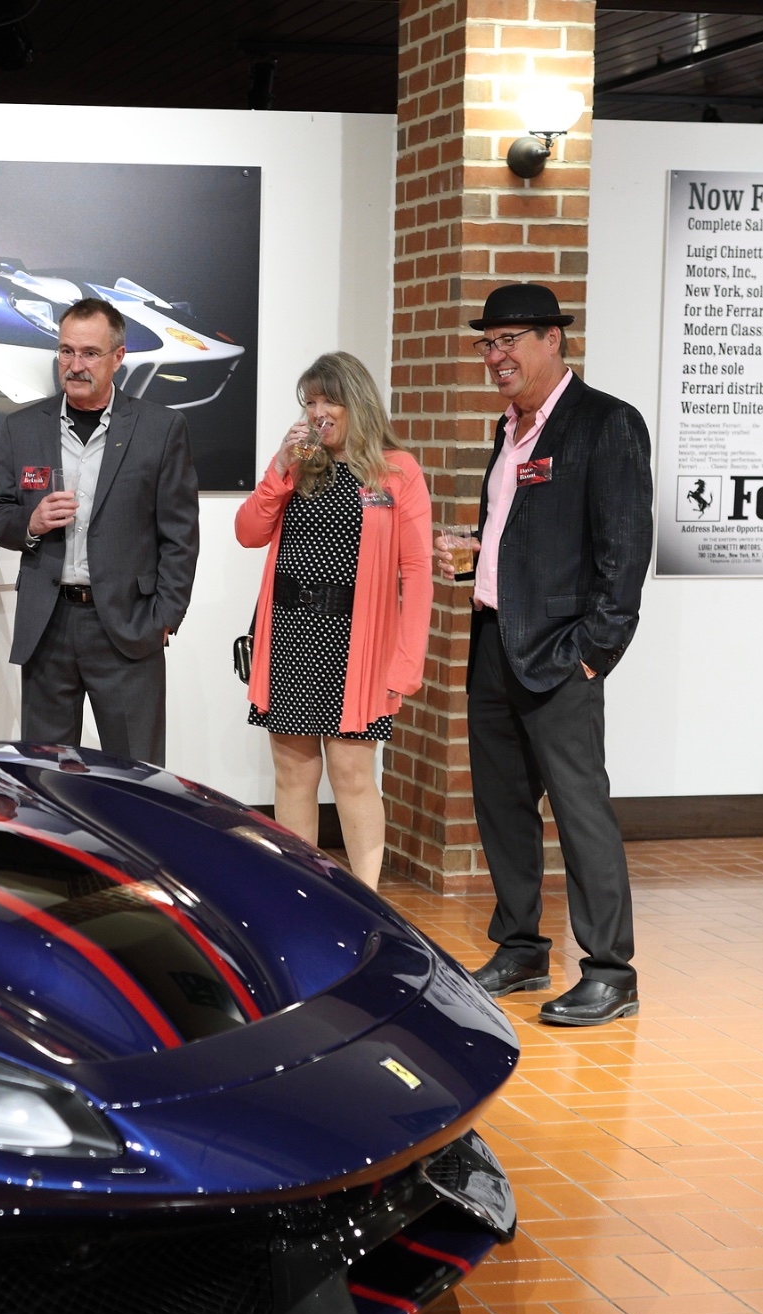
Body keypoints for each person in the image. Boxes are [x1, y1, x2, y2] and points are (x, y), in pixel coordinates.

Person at [434, 283, 652, 1027]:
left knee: (580, 808)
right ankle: (522, 947)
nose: (496, 356)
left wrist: (595, 652)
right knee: (502, 806)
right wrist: (473, 558)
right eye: (486, 343)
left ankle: (610, 970)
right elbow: (523, 531)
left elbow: (625, 558)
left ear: (553, 340)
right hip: (494, 641)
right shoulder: (509, 430)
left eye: (511, 340)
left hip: (562, 653)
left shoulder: (605, 424)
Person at [236, 352, 431, 887]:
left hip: (357, 643)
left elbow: (416, 573)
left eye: (329, 400)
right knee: (294, 774)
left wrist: (407, 661)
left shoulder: (396, 471)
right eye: (311, 401)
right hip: (292, 634)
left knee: (351, 775)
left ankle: (366, 898)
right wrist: (278, 468)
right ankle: (301, 894)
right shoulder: (299, 464)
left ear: (356, 404)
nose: (318, 411)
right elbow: (248, 532)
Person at [0, 298, 199, 763]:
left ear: (118, 358)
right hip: (48, 625)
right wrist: (31, 523)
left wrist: (163, 618)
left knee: (136, 776)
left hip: (126, 626)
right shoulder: (22, 427)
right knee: (45, 775)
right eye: (65, 352)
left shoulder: (160, 429)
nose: (74, 366)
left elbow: (180, 535)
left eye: (89, 353)